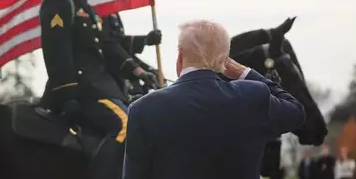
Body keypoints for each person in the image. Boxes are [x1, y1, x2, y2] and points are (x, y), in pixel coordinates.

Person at [123, 19, 306, 179]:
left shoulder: (142, 109)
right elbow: (296, 112)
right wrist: (246, 73)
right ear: (226, 60)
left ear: (179, 57)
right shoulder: (252, 95)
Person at [39, 0, 157, 179]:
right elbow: (56, 51)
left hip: (102, 85)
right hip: (85, 88)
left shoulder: (84, 5)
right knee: (126, 126)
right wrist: (66, 93)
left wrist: (138, 72)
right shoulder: (59, 0)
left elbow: (107, 48)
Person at [102, 12, 162, 99]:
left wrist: (148, 69)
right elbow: (109, 47)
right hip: (106, 83)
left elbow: (120, 44)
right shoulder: (100, 10)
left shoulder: (112, 12)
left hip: (125, 81)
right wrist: (139, 71)